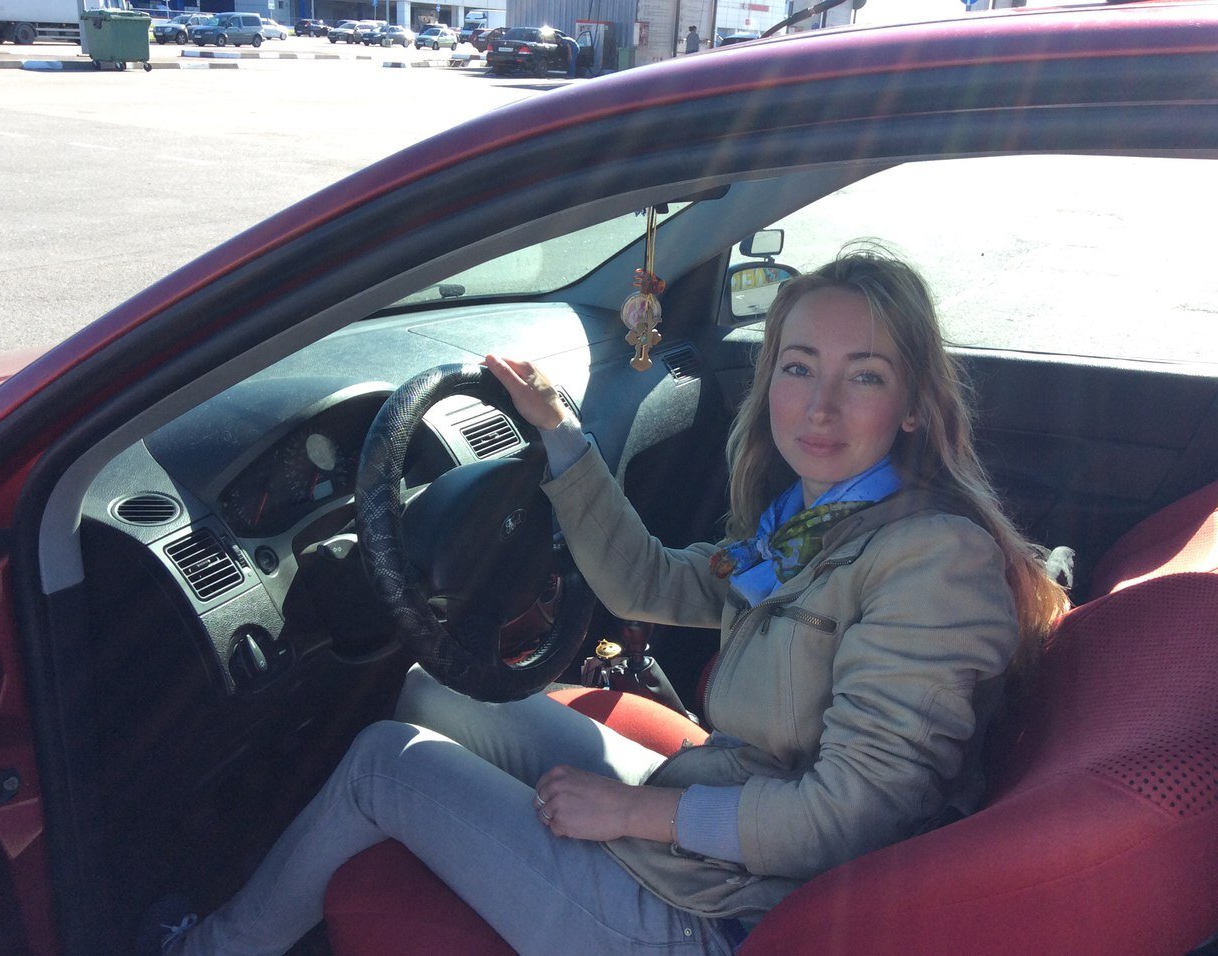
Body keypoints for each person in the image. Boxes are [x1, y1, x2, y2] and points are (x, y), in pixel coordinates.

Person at [157, 246, 1067, 955]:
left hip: (728, 918)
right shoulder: (815, 523)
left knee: (381, 764)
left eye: (863, 375)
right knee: (437, 691)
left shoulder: (931, 560)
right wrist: (561, 438)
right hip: (722, 824)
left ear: (914, 405)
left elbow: (852, 819)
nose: (819, 405)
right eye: (798, 367)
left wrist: (630, 814)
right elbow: (650, 582)